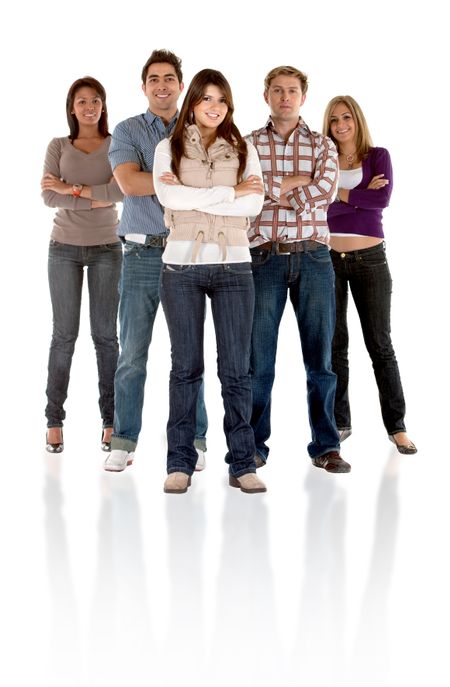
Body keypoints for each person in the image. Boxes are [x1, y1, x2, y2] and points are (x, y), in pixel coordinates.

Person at [153, 68, 267, 494]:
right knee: (185, 368)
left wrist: (230, 197)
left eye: (221, 100)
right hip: (180, 267)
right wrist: (229, 194)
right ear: (193, 103)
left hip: (234, 265)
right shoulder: (169, 146)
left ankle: (242, 463)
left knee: (236, 370)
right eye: (206, 99)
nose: (214, 107)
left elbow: (254, 203)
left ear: (228, 105)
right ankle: (179, 462)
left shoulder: (244, 147)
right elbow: (168, 196)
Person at [104, 50, 208, 472]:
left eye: (169, 78)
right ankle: (124, 439)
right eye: (154, 79)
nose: (162, 85)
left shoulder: (202, 126)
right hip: (143, 252)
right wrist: (188, 185)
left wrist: (164, 182)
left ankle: (196, 438)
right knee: (132, 353)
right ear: (144, 86)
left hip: (189, 250)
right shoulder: (128, 130)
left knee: (190, 353)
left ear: (181, 85)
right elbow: (129, 183)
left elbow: (217, 181)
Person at [247, 65, 351, 474]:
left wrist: (277, 189)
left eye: (292, 90)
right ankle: (253, 447)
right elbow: (249, 194)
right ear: (266, 96)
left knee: (320, 360)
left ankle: (326, 446)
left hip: (313, 258)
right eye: (277, 90)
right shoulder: (249, 144)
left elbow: (324, 193)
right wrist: (293, 182)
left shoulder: (323, 144)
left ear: (303, 97)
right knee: (258, 361)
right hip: (264, 257)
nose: (285, 97)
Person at [323, 95, 416, 454]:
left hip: (370, 260)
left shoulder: (378, 156)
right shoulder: (325, 158)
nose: (341, 124)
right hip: (328, 258)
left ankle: (397, 426)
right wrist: (358, 196)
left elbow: (382, 202)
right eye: (334, 120)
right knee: (335, 346)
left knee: (380, 344)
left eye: (346, 117)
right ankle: (339, 422)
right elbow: (319, 208)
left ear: (357, 120)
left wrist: (340, 194)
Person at [42, 76, 123, 454]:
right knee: (64, 336)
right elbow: (46, 195)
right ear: (72, 108)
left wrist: (69, 189)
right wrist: (93, 198)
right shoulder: (58, 145)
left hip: (108, 247)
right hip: (64, 249)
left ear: (103, 105)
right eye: (81, 101)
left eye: (95, 100)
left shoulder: (115, 145)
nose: (89, 106)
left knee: (106, 338)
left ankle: (111, 421)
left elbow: (119, 192)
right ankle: (53, 419)